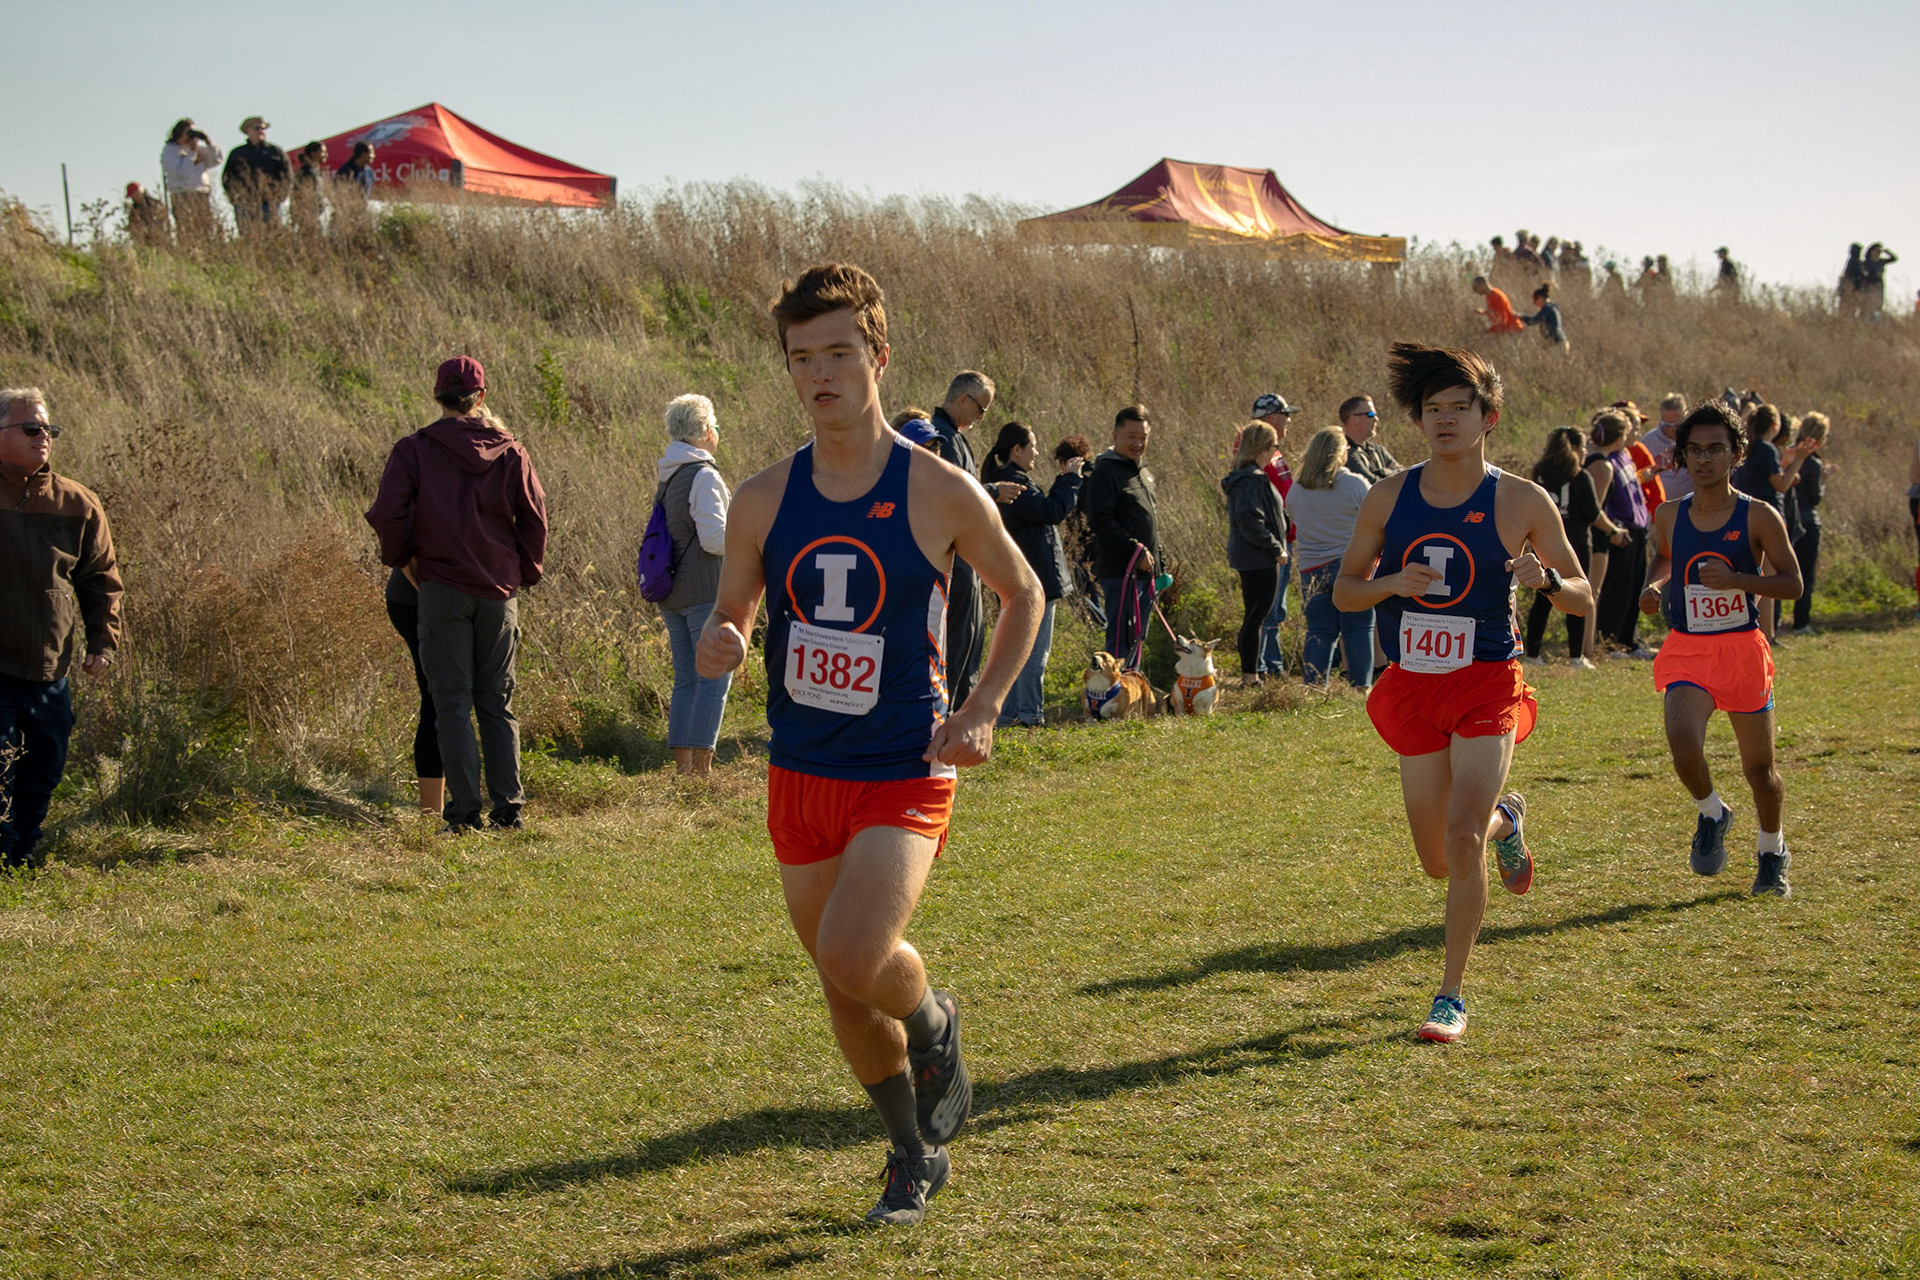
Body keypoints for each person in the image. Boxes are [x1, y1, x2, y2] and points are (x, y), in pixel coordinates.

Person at [694, 262, 1042, 1228]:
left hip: (905, 765)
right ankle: (912, 1150)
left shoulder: (939, 489)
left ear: (879, 358)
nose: (820, 373)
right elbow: (732, 617)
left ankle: (932, 1026)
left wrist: (980, 708)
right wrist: (722, 639)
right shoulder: (763, 500)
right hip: (800, 769)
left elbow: (1025, 594)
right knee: (843, 990)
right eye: (802, 358)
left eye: (840, 352)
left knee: (857, 953)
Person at [1332, 343, 1592, 1043]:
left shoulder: (1521, 499)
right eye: (1434, 410)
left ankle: (1450, 997)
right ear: (1419, 420)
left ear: (1490, 417)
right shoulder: (1389, 495)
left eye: (1460, 409)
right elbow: (1344, 591)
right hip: (1414, 686)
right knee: (1438, 859)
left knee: (1462, 834)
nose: (1445, 420)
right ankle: (1512, 819)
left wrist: (1547, 584)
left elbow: (1583, 596)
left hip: (1487, 683)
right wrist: (1391, 584)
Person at [365, 357, 548, 834]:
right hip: (496, 591)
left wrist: (405, 560)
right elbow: (534, 520)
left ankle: (464, 814)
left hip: (441, 588)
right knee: (496, 700)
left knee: (451, 702)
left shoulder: (414, 450)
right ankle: (508, 809)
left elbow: (386, 513)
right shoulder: (511, 452)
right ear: (481, 397)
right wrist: (521, 573)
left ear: (437, 397)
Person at [1638, 401, 1801, 896]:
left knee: (1760, 770)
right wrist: (1654, 587)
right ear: (1682, 457)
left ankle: (1772, 850)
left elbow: (1792, 583)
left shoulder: (1759, 516)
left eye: (1716, 449)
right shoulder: (1669, 515)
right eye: (1695, 450)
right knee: (1684, 748)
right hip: (1687, 647)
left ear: (1737, 454)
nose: (1704, 458)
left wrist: (1737, 580)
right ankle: (1712, 812)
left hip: (1741, 650)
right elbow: (1665, 559)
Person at [0, 388, 122, 869]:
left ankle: (24, 852)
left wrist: (103, 643)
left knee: (44, 767)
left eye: (48, 429)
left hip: (51, 669)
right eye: (31, 429)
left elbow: (101, 580)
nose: (43, 438)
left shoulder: (77, 502)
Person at [983, 422, 1084, 725]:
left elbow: (1044, 510)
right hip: (1035, 582)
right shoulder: (1016, 484)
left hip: (1023, 579)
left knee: (1020, 650)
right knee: (1032, 652)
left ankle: (1011, 715)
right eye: (1033, 446)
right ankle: (1028, 714)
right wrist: (1069, 480)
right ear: (1017, 449)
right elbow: (1051, 511)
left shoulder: (1010, 482)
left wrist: (1064, 481)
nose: (1037, 452)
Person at [655, 394, 734, 776]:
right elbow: (714, 539)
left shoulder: (669, 475)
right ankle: (701, 772)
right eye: (715, 425)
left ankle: (683, 768)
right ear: (705, 432)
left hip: (672, 595)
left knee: (686, 679)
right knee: (713, 677)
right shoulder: (703, 475)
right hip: (705, 593)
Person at [926, 371, 993, 709]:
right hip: (954, 556)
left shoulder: (953, 436)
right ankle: (948, 708)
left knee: (971, 633)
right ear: (964, 399)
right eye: (981, 409)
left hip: (968, 554)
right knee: (956, 635)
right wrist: (992, 492)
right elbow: (950, 496)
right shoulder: (941, 439)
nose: (982, 418)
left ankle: (958, 705)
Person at [1288, 427, 1373, 689]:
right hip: (1352, 566)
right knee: (1357, 629)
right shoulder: (1355, 484)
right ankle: (1360, 688)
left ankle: (1313, 686)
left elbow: (1292, 519)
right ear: (1339, 454)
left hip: (1312, 568)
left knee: (1320, 630)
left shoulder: (1297, 489)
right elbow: (1376, 518)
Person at [1083, 405, 1162, 668]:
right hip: (1121, 572)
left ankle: (1131, 690)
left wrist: (1158, 560)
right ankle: (1114, 697)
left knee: (1138, 636)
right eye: (1131, 436)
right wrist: (1134, 551)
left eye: (1143, 437)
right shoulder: (1105, 472)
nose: (1138, 443)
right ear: (1115, 435)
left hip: (1145, 575)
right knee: (1121, 638)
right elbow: (1100, 520)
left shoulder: (1142, 471)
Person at [1729, 404, 1815, 640]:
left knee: (1756, 580)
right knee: (1768, 582)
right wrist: (1799, 459)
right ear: (1775, 426)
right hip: (1767, 518)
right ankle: (1767, 635)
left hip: (1744, 516)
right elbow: (1781, 485)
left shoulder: (1749, 448)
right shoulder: (1767, 449)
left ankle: (1762, 632)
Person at [1221, 422, 1289, 687]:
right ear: (1262, 447)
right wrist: (1276, 548)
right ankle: (1251, 676)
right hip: (1258, 557)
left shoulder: (1247, 475)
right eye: (1274, 446)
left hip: (1253, 556)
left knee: (1255, 615)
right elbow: (1250, 520)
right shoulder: (1251, 478)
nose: (1276, 451)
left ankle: (1251, 673)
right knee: (1256, 616)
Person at [1524, 428, 1599, 667]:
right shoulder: (1580, 474)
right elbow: (1592, 512)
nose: (1586, 452)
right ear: (1575, 448)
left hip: (1542, 541)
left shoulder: (1541, 471)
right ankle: (1576, 656)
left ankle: (1533, 654)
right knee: (1576, 594)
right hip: (1576, 542)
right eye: (1584, 447)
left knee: (1542, 598)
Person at [1586, 411, 1653, 658]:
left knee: (1634, 587)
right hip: (1619, 530)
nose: (1634, 433)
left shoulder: (1625, 455)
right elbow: (1600, 504)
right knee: (1617, 590)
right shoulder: (1604, 461)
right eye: (1630, 428)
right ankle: (1609, 640)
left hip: (1637, 527)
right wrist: (1613, 528)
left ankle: (1628, 639)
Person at [1249, 392, 1300, 676]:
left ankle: (1273, 664)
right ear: (1272, 418)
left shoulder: (1276, 452)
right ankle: (1267, 666)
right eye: (1285, 415)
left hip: (1285, 540)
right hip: (1270, 545)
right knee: (1267, 607)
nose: (1289, 420)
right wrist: (1271, 542)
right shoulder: (1256, 454)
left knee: (1277, 607)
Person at [1788, 413, 1835, 634]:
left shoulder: (1786, 454)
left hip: (1784, 519)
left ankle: (1773, 622)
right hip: (1807, 521)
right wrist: (1823, 479)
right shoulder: (1814, 464)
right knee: (1805, 575)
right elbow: (1815, 497)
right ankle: (1801, 622)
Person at [222, 116, 291, 236]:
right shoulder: (237, 153)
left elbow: (287, 176)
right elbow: (227, 177)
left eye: (263, 128)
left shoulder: (275, 152)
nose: (261, 131)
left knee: (272, 235)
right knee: (249, 236)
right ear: (248, 130)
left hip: (270, 202)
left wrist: (280, 196)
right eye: (257, 128)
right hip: (245, 202)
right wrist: (234, 197)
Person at [160, 118, 222, 245]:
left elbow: (216, 160)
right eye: (188, 132)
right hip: (182, 193)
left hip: (201, 192)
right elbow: (180, 173)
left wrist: (208, 142)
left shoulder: (197, 148)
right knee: (186, 227)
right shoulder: (170, 151)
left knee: (205, 227)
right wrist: (191, 155)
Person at [1641, 393, 1692, 503]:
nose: (1672, 429)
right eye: (1667, 425)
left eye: (1677, 424)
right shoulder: (1649, 441)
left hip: (1692, 506)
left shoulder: (1696, 438)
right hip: (1660, 508)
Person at [1339, 395, 1400, 483]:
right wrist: (1389, 473)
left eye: (1375, 415)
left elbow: (1404, 475)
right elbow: (1370, 483)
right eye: (1370, 414)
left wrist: (1380, 472)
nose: (1376, 419)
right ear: (1353, 419)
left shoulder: (1379, 450)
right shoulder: (1344, 453)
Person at [288, 141, 329, 238]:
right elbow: (299, 195)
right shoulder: (306, 172)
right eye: (322, 152)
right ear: (313, 154)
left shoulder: (316, 170)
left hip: (317, 213)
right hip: (307, 215)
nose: (326, 155)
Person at [1520, 284, 1569, 353]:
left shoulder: (1547, 309)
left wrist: (1520, 317)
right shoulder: (1554, 306)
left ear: (1540, 298)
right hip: (1563, 342)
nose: (1534, 304)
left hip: (1557, 344)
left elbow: (1534, 321)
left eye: (1535, 301)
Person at [124, 182, 170, 248]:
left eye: (133, 195)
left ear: (138, 192)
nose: (132, 198)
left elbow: (163, 218)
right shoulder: (134, 210)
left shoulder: (154, 204)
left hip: (158, 238)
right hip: (143, 241)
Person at [1862, 243, 1898, 320]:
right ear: (1871, 251)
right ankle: (1867, 321)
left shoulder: (1881, 261)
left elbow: (1894, 258)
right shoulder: (1867, 262)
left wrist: (1886, 251)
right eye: (1877, 251)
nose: (1879, 253)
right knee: (1869, 305)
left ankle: (1877, 321)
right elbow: (1864, 274)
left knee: (1878, 304)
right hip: (1870, 285)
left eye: (1879, 251)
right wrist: (1874, 274)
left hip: (1879, 285)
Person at [1840, 243, 1865, 319]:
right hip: (1853, 289)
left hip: (1853, 288)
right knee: (1850, 308)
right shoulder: (1854, 261)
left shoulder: (1853, 261)